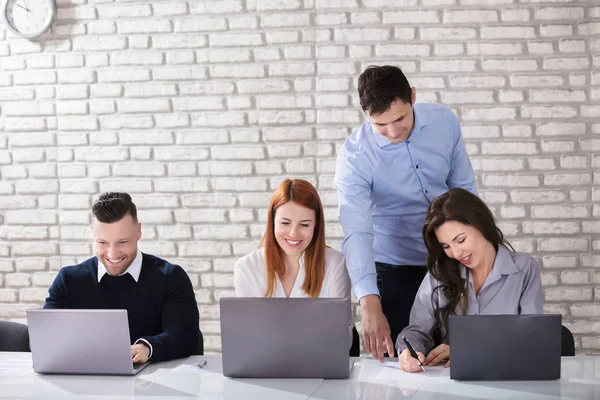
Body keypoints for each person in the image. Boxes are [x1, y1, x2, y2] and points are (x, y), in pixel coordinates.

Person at [334, 64, 477, 361]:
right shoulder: (354, 156)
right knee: (406, 364)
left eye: (400, 118)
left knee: (461, 357)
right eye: (380, 125)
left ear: (412, 96)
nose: (393, 131)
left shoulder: (444, 122)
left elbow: (464, 191)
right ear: (365, 114)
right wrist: (369, 303)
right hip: (393, 268)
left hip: (450, 259)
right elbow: (358, 232)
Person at [44, 192, 201, 364]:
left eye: (122, 242)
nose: (112, 254)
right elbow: (42, 338)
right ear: (92, 234)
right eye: (102, 243)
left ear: (139, 231)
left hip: (153, 384)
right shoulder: (68, 280)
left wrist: (147, 348)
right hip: (85, 382)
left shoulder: (170, 277)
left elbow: (186, 335)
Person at [398, 188, 543, 372]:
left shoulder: (524, 270)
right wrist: (409, 351)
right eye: (446, 246)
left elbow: (532, 338)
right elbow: (417, 331)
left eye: (461, 240)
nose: (456, 253)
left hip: (508, 379)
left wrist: (468, 348)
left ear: (481, 225)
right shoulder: (439, 273)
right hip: (452, 384)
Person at [234, 179, 353, 344]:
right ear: (272, 222)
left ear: (316, 226)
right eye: (285, 223)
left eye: (304, 225)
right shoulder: (247, 267)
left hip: (318, 365)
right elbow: (250, 336)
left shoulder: (335, 264)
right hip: (265, 365)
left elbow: (340, 339)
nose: (293, 234)